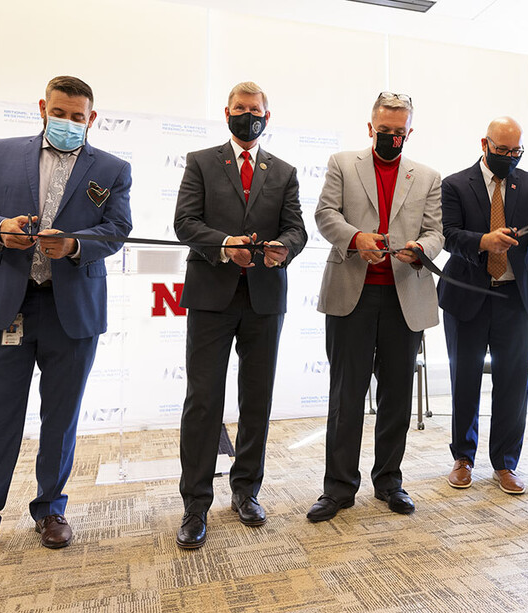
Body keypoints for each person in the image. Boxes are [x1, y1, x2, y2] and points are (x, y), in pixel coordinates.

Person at [0, 76, 133, 573]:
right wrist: (1, 229)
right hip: (8, 305)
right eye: (60, 113)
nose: (69, 123)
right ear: (43, 108)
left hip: (72, 310)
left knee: (61, 417)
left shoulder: (113, 168)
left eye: (78, 117)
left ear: (91, 119)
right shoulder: (2, 152)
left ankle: (51, 511)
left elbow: (118, 229)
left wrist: (76, 244)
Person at [173, 81, 307, 549]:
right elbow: (185, 223)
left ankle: (246, 491)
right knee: (203, 401)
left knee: (257, 401)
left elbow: (297, 229)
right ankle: (195, 505)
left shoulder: (284, 171)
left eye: (255, 110)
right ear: (226, 112)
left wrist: (282, 249)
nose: (247, 115)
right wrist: (226, 246)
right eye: (240, 108)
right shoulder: (201, 162)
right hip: (212, 295)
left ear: (267, 117)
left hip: (265, 299)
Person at [308, 92, 443, 522]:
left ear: (409, 132)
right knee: (346, 395)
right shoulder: (343, 164)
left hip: (405, 295)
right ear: (370, 128)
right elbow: (325, 214)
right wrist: (355, 238)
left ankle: (389, 482)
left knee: (397, 396)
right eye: (384, 131)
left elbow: (436, 231)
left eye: (399, 132)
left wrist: (422, 247)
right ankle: (338, 488)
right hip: (353, 293)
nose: (391, 138)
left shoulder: (427, 176)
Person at [439, 117, 528, 494]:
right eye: (503, 150)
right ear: (485, 144)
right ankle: (463, 458)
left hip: (516, 297)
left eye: (516, 151)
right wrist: (483, 241)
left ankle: (506, 464)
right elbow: (448, 236)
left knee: (513, 382)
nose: (510, 157)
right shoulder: (456, 184)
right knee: (465, 379)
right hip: (467, 296)